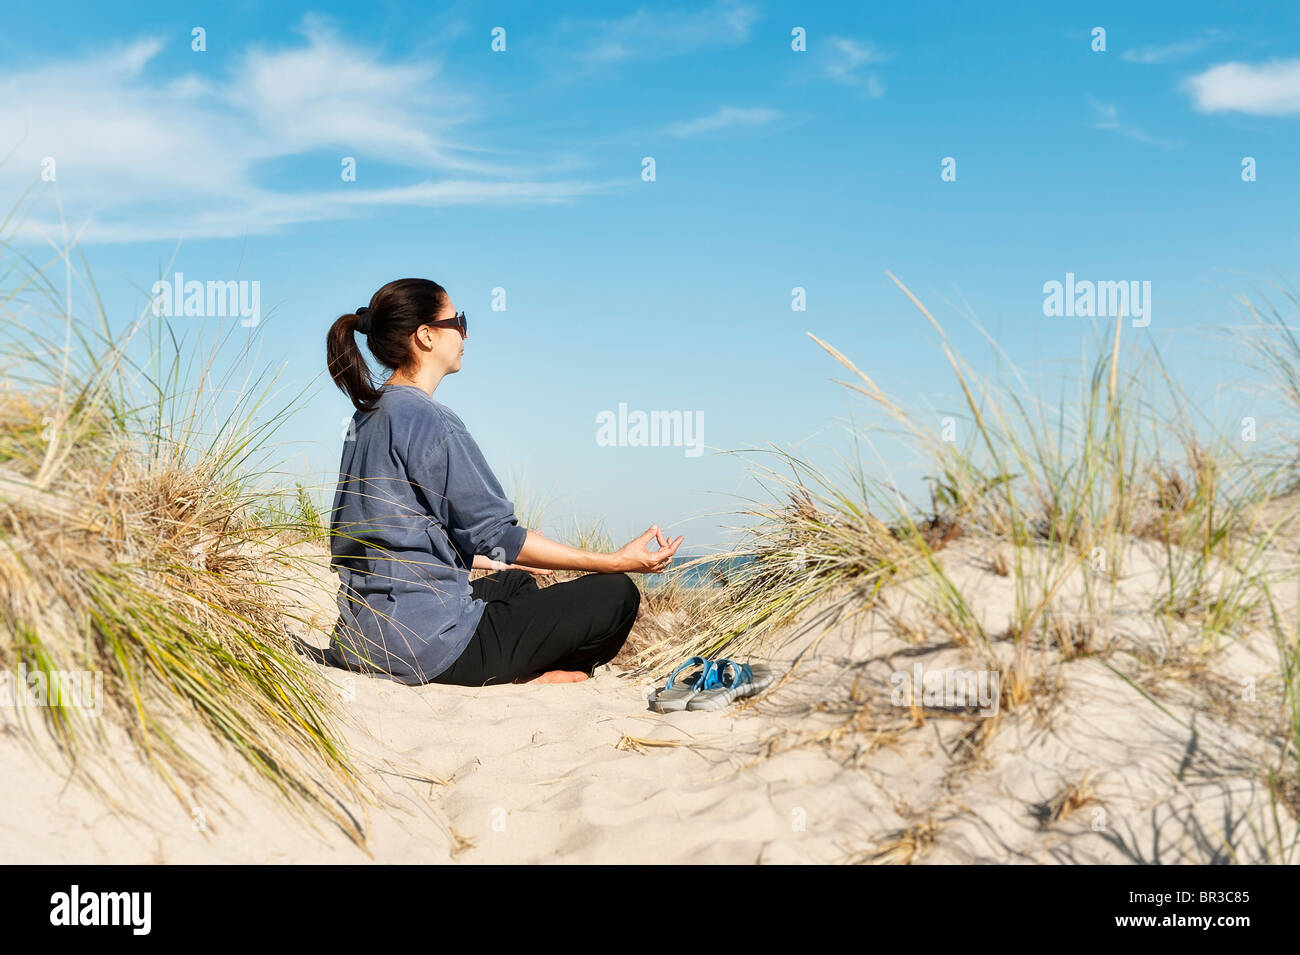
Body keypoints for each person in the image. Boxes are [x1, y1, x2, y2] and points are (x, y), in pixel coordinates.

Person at [323, 278, 683, 686]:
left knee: (513, 580)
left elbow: (381, 537)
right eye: (457, 320)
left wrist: (490, 558)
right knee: (615, 594)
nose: (465, 332)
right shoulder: (431, 421)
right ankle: (542, 677)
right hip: (425, 649)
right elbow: (499, 532)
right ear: (425, 336)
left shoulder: (368, 417)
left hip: (361, 638)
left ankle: (524, 662)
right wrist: (615, 562)